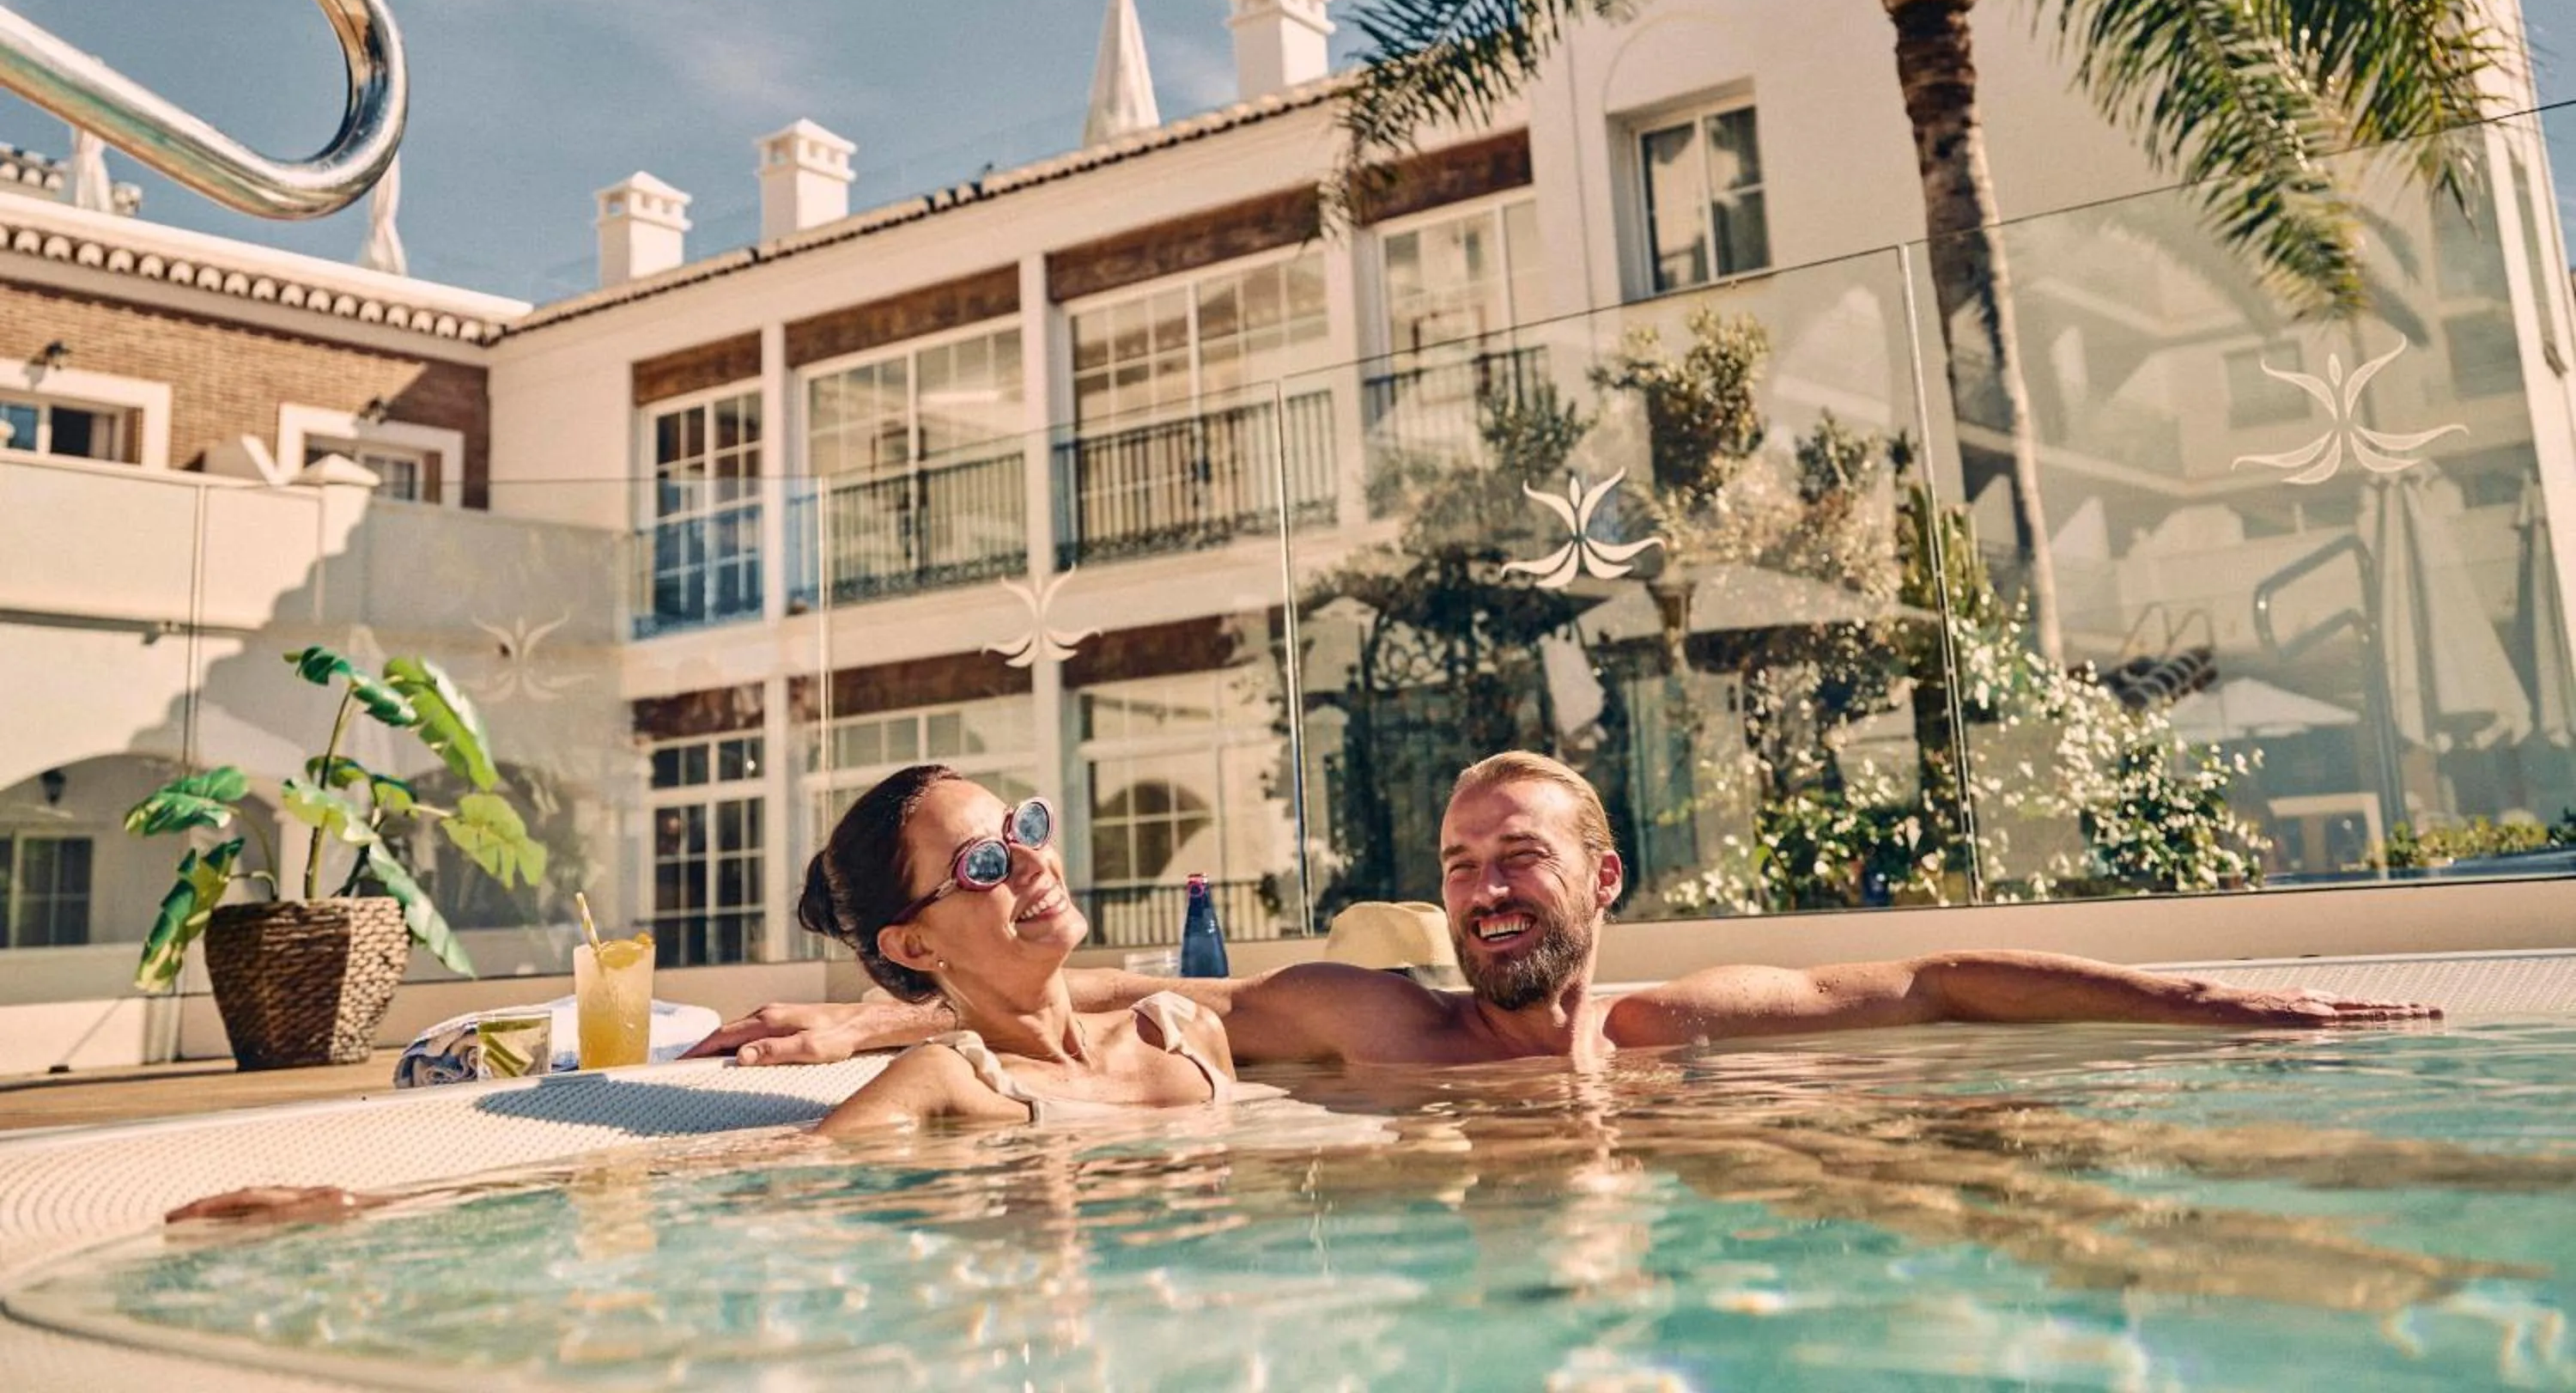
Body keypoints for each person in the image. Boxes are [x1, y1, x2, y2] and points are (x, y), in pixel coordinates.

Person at [690, 751, 2437, 1074]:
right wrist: (872, 1013)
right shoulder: (1375, 1021)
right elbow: (1088, 995)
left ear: (1602, 880)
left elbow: (1931, 978)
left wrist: (2213, 1004)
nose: (1481, 886)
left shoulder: (1670, 1025)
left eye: (1517, 856)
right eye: (1458, 864)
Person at [801, 764, 1236, 1132]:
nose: (1034, 863)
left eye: (1025, 829)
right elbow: (789, 1177)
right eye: (984, 863)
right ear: (914, 945)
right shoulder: (947, 1080)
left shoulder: (1185, 1030)